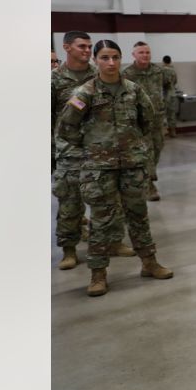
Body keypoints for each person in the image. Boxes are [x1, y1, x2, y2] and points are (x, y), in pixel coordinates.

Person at [57, 40, 173, 296]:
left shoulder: (134, 90)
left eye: (115, 57)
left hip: (132, 165)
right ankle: (98, 274)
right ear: (96, 61)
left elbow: (148, 120)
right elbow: (67, 127)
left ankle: (149, 262)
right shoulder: (84, 93)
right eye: (105, 58)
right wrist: (93, 148)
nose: (111, 63)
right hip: (99, 169)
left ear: (121, 59)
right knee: (101, 221)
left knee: (138, 215)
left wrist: (131, 145)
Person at [52, 31, 135, 270]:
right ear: (67, 47)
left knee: (111, 201)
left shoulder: (99, 74)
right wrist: (54, 151)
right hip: (70, 153)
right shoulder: (54, 80)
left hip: (103, 151)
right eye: (82, 46)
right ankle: (69, 249)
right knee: (70, 203)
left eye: (89, 47)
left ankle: (115, 242)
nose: (87, 51)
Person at [121, 42, 171, 199]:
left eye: (147, 52)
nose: (145, 55)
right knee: (145, 152)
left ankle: (149, 176)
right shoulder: (127, 74)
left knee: (157, 148)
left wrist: (166, 103)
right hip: (139, 121)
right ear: (133, 55)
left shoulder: (159, 71)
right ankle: (149, 185)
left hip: (158, 118)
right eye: (141, 52)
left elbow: (168, 87)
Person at [160, 55, 180, 137]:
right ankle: (173, 131)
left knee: (162, 113)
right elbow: (175, 81)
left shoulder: (160, 70)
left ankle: (163, 131)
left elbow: (159, 82)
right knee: (172, 113)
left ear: (163, 61)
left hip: (163, 94)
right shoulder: (173, 71)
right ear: (170, 61)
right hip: (172, 94)